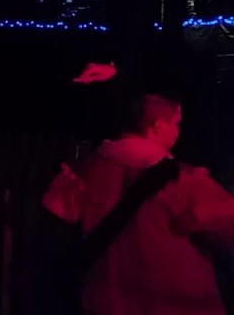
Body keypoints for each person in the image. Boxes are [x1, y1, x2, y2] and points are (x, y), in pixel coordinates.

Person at [43, 93, 234, 314]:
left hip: (102, 304)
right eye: (177, 123)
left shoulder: (83, 172)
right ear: (159, 126)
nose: (178, 130)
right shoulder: (184, 180)